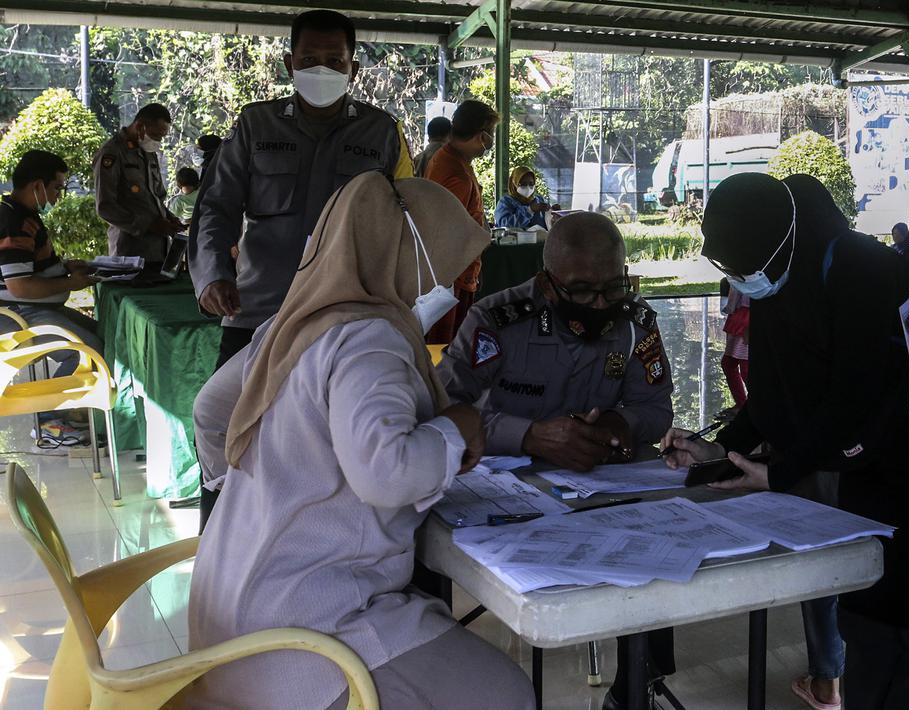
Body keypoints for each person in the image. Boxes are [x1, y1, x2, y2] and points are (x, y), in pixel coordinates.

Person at [186, 171, 533, 710]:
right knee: (506, 693)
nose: (450, 279)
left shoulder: (293, 323)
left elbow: (211, 412)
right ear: (407, 254)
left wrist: (260, 492)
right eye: (443, 261)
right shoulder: (370, 339)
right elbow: (385, 471)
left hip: (226, 622)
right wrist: (455, 430)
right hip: (301, 636)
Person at [663, 172, 909, 710]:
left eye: (751, 268)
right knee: (868, 628)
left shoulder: (865, 272)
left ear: (784, 240)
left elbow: (862, 401)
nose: (748, 281)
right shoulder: (782, 274)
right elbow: (772, 395)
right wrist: (723, 450)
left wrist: (784, 471)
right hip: (865, 491)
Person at [436, 212, 676, 710]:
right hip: (502, 485)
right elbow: (444, 406)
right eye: (584, 290)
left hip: (598, 484)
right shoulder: (496, 319)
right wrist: (529, 436)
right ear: (548, 283)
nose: (602, 303)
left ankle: (639, 685)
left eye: (613, 286)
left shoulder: (636, 323)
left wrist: (618, 426)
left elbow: (655, 408)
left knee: (660, 551)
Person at [189, 8, 415, 531]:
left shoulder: (383, 133)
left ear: (353, 68)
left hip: (342, 320)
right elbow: (216, 208)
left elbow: (406, 222)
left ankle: (317, 558)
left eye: (333, 60)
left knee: (335, 447)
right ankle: (221, 552)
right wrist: (210, 276)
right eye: (309, 59)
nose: (321, 69)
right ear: (289, 63)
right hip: (257, 314)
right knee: (228, 428)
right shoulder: (255, 125)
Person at [1, 150, 104, 442]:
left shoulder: (23, 215)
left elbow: (29, 265)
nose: (59, 195)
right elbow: (20, 286)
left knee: (102, 335)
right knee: (89, 349)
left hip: (28, 307)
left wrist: (63, 268)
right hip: (16, 313)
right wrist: (70, 283)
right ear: (37, 186)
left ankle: (77, 413)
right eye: (56, 187)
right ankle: (52, 422)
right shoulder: (15, 221)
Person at [424, 99, 499, 343]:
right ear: (481, 136)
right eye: (491, 136)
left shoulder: (452, 160)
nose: (488, 145)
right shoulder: (455, 172)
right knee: (447, 349)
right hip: (451, 278)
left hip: (454, 274)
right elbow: (448, 231)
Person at [92, 102, 183, 262]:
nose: (157, 141)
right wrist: (149, 225)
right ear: (140, 126)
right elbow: (105, 207)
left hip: (158, 251)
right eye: (155, 136)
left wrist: (169, 218)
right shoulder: (112, 153)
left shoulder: (149, 152)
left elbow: (156, 196)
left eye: (161, 137)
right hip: (129, 252)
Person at [719, 277, 750, 414]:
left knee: (741, 366)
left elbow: (732, 303)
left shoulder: (740, 273)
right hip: (744, 319)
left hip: (741, 321)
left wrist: (728, 308)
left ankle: (747, 404)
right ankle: (744, 403)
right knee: (733, 364)